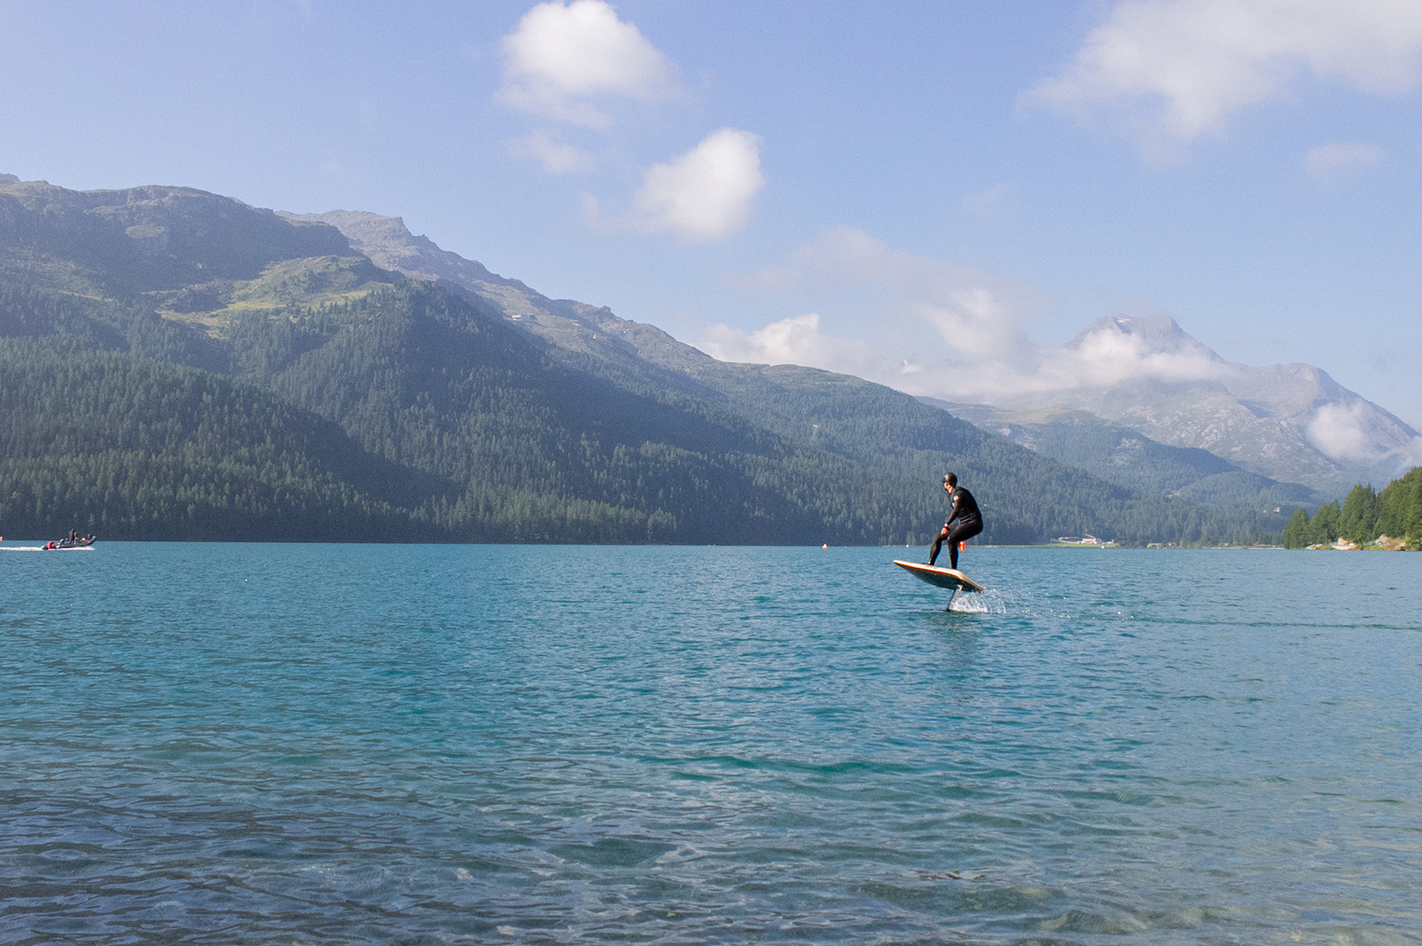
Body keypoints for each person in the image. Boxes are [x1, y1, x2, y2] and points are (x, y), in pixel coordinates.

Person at [928, 472, 983, 571]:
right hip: (963, 524)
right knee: (938, 537)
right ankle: (930, 564)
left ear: (946, 484)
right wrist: (960, 534)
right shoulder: (952, 496)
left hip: (974, 524)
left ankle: (953, 569)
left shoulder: (959, 494)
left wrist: (946, 525)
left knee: (951, 539)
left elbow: (956, 511)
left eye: (944, 484)